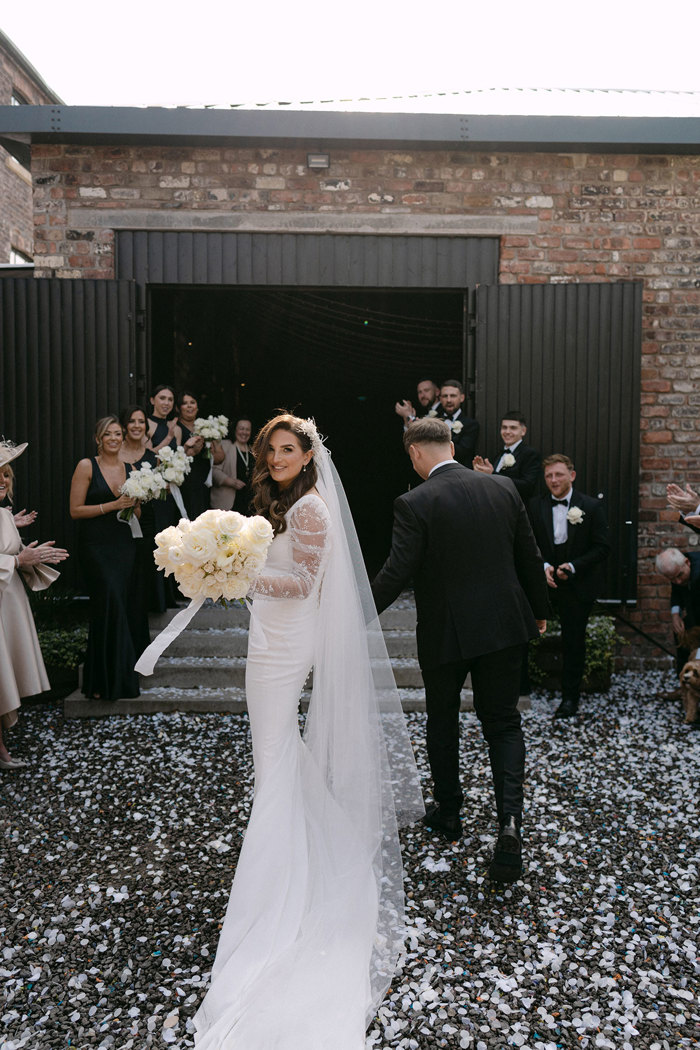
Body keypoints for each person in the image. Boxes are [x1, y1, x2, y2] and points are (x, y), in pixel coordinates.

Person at [193, 413, 423, 1050]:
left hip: (287, 643)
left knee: (271, 748)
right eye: (270, 450)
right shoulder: (280, 498)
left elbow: (303, 582)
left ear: (308, 453)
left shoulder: (314, 510)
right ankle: (309, 847)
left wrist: (235, 572)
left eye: (287, 449)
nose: (276, 458)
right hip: (268, 633)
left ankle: (277, 882)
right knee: (275, 749)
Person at [371, 418, 548, 883]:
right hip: (505, 625)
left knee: (443, 719)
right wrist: (540, 609)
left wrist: (358, 611)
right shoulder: (504, 488)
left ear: (413, 453)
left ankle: (449, 812)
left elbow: (398, 569)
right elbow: (527, 553)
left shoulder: (414, 501)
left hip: (447, 632)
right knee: (504, 722)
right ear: (451, 445)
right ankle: (509, 822)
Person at [69, 416, 150, 700]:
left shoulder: (133, 469)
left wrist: (133, 504)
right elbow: (75, 510)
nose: (114, 439)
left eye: (118, 434)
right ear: (98, 439)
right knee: (109, 600)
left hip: (123, 545)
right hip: (96, 546)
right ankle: (106, 681)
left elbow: (137, 513)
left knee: (118, 605)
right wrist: (112, 505)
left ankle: (110, 682)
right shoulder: (86, 466)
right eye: (108, 435)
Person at [0, 441, 68, 769]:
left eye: (7, 474)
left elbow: (12, 554)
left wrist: (31, 558)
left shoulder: (3, 514)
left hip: (8, 603)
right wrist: (18, 560)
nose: (3, 480)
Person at [528, 454, 611, 719]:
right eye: (549, 476)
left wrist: (573, 567)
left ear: (571, 475)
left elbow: (602, 547)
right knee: (523, 633)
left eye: (559, 475)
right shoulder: (534, 506)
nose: (553, 480)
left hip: (577, 584)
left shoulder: (591, 506)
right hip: (543, 583)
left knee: (573, 641)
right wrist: (543, 568)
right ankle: (521, 689)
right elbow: (528, 544)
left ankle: (569, 698)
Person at [145, 385, 181, 609]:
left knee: (172, 542)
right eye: (162, 398)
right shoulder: (147, 424)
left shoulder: (175, 427)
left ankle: (171, 594)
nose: (166, 403)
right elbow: (147, 455)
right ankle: (156, 597)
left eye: (170, 399)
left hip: (171, 492)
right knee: (157, 542)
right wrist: (167, 438)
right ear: (152, 400)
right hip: (153, 492)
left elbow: (179, 458)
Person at [473, 410, 542, 500]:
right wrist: (482, 473)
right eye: (504, 427)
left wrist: (492, 474)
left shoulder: (530, 454)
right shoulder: (498, 455)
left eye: (513, 428)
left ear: (523, 431)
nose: (507, 431)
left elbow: (527, 487)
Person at [655, 547, 700, 673]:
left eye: (680, 575)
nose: (678, 581)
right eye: (672, 579)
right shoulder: (676, 570)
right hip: (695, 610)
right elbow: (676, 593)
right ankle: (683, 682)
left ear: (687, 563)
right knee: (680, 631)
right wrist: (675, 615)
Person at [175, 390, 211, 519]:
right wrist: (190, 451)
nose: (189, 406)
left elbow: (219, 458)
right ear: (178, 408)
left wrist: (212, 446)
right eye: (185, 403)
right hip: (185, 483)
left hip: (203, 482)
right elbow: (174, 460)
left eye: (192, 402)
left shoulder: (206, 428)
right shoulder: (177, 428)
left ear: (197, 406)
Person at [210, 417, 255, 513]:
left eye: (247, 429)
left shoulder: (253, 451)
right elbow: (214, 471)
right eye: (241, 429)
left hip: (248, 503)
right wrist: (230, 482)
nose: (244, 432)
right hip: (227, 502)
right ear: (235, 430)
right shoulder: (225, 446)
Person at [437, 379, 479, 467]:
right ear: (440, 399)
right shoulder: (434, 421)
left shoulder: (471, 425)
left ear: (462, 398)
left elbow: (462, 452)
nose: (448, 400)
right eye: (445, 396)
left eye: (453, 396)